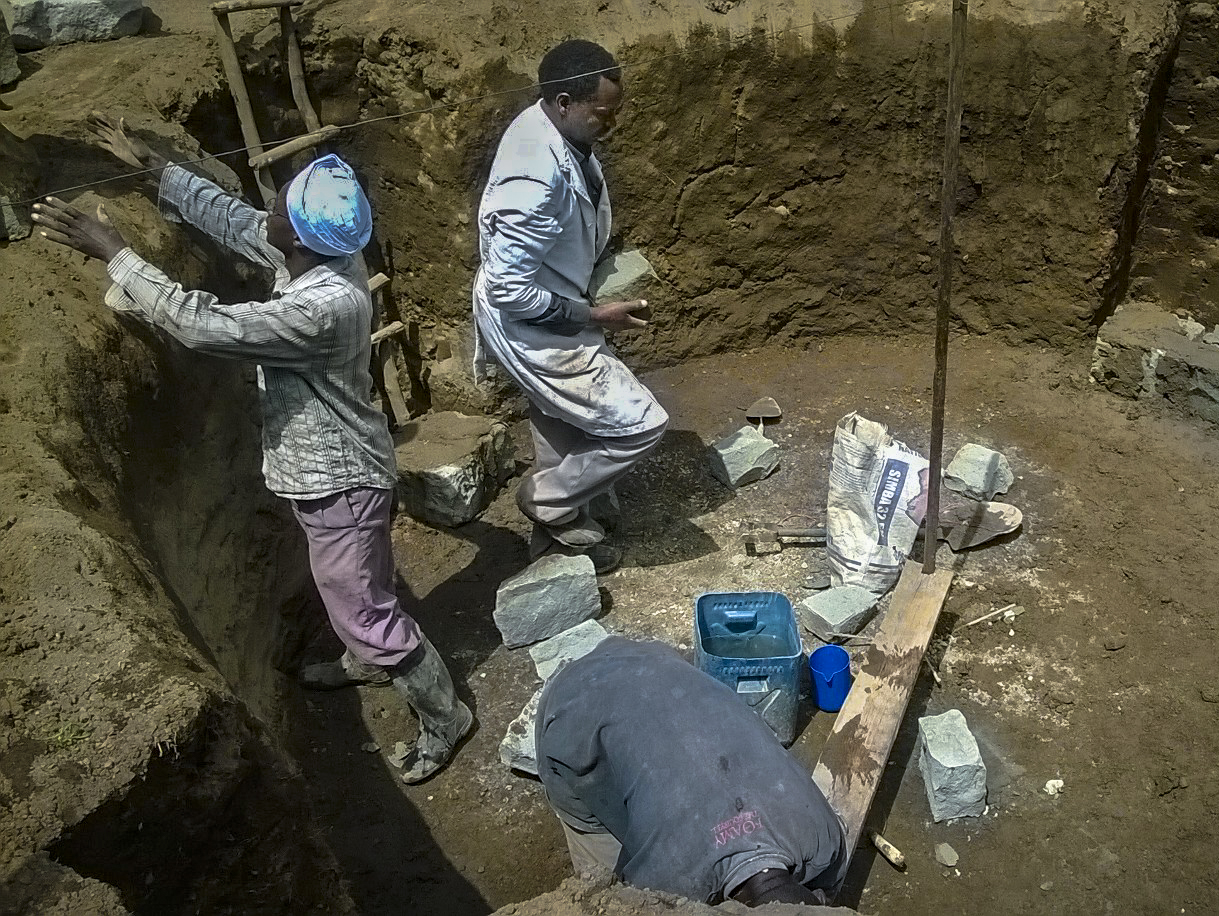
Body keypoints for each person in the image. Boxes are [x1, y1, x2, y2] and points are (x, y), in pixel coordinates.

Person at [32, 115, 472, 784]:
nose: (264, 207)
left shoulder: (324, 305)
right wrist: (160, 173)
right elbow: (240, 222)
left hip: (340, 483)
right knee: (361, 586)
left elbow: (203, 324)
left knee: (362, 606)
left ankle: (444, 717)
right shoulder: (320, 252)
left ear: (296, 236)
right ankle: (368, 647)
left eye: (279, 205)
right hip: (339, 477)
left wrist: (116, 252)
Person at [473, 39, 669, 574]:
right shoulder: (532, 179)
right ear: (564, 102)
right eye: (604, 113)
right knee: (643, 425)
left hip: (553, 292)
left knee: (558, 413)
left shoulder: (555, 127)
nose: (613, 124)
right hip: (529, 319)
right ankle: (548, 501)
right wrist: (592, 315)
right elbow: (507, 290)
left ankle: (562, 534)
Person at [534, 637, 846, 906]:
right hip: (572, 711)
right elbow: (628, 903)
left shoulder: (822, 836)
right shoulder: (667, 881)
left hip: (655, 660)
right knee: (604, 883)